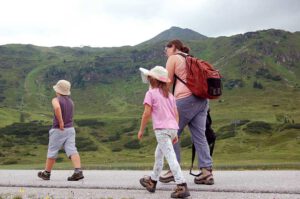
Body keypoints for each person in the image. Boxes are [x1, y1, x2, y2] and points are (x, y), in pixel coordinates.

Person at [159, 40, 214, 185]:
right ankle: (206, 172)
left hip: (185, 99)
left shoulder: (173, 58)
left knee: (171, 133)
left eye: (167, 48)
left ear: (174, 47)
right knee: (200, 136)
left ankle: (173, 169)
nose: (166, 51)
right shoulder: (190, 58)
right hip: (202, 100)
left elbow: (167, 82)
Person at [137, 66, 190, 198]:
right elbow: (176, 114)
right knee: (158, 155)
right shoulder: (170, 95)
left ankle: (181, 185)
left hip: (162, 130)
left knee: (170, 157)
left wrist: (141, 130)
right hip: (172, 129)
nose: (148, 79)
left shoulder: (151, 94)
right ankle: (152, 181)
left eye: (150, 77)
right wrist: (175, 131)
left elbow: (146, 113)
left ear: (153, 80)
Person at [38, 80, 84, 181]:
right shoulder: (71, 102)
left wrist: (61, 122)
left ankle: (47, 173)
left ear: (58, 90)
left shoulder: (56, 99)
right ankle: (78, 171)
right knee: (72, 149)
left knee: (52, 151)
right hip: (70, 129)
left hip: (59, 129)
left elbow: (57, 108)